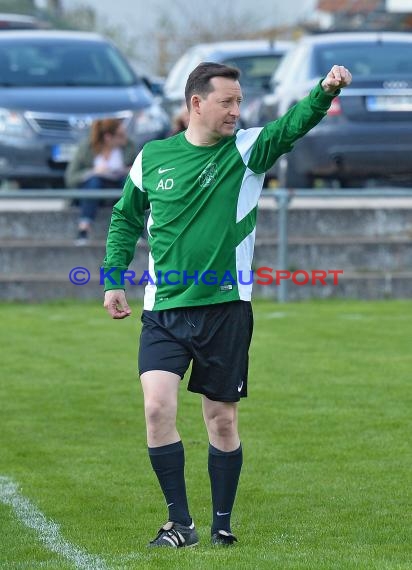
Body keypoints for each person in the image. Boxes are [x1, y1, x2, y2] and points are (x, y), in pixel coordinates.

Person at [102, 62, 352, 548]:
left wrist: (323, 92)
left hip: (226, 309)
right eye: (227, 102)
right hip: (165, 310)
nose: (236, 111)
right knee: (157, 408)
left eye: (239, 102)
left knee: (221, 420)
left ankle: (221, 523)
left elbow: (291, 126)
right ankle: (180, 524)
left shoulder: (247, 150)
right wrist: (114, 278)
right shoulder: (152, 157)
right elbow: (124, 219)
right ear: (196, 103)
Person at [65, 118, 136, 244]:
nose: (124, 138)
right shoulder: (87, 148)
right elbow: (71, 178)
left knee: (129, 182)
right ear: (108, 137)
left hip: (118, 186)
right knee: (94, 182)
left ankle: (135, 230)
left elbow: (141, 170)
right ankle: (83, 230)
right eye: (120, 136)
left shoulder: (128, 147)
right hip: (93, 190)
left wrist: (128, 170)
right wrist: (93, 171)